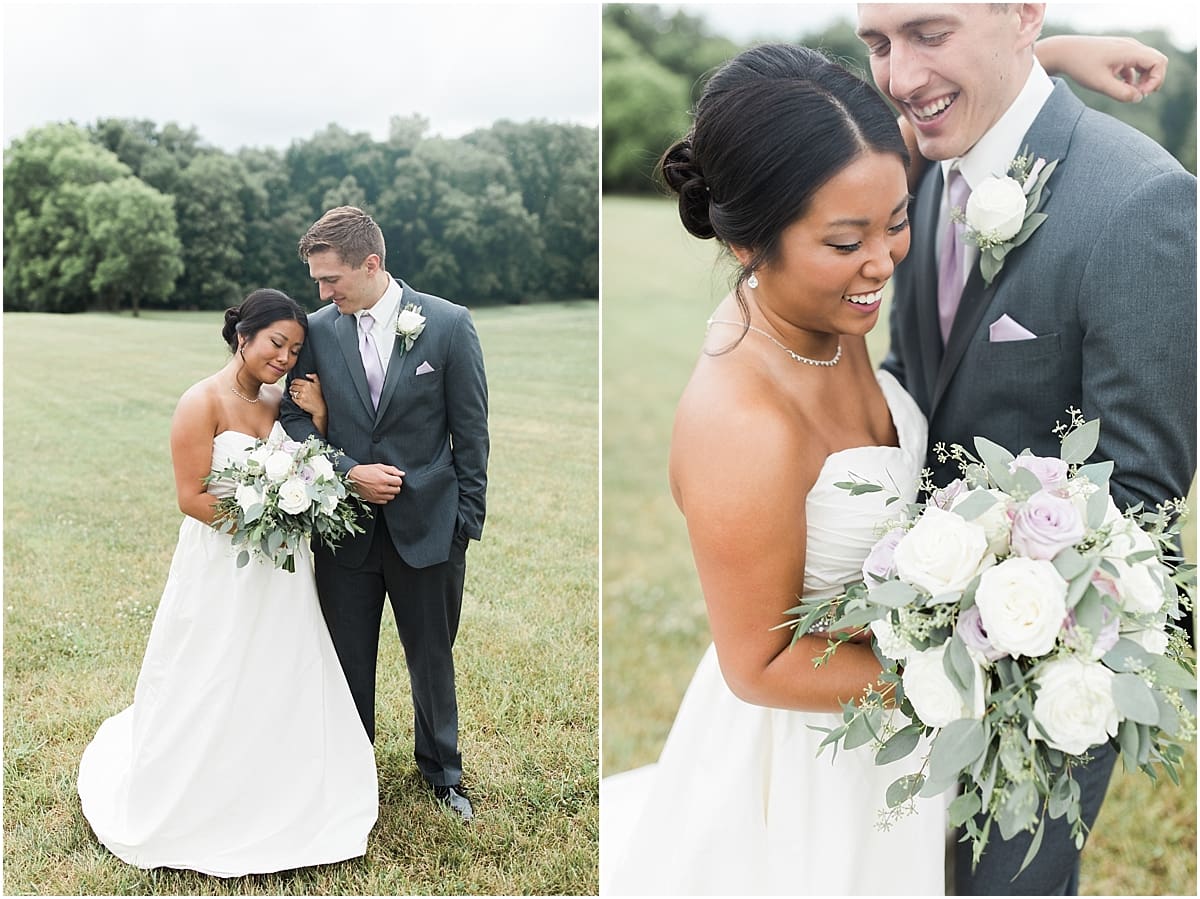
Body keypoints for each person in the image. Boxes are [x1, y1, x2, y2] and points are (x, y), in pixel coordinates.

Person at [600, 33, 1174, 898]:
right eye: (844, 242)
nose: (882, 261)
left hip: (895, 742)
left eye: (898, 220)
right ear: (752, 239)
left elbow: (920, 126)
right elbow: (760, 665)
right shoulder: (739, 419)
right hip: (810, 766)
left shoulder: (838, 237)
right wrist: (997, 665)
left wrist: (1039, 54)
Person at [856, 4, 1196, 894]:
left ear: (1022, 14)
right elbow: (916, 370)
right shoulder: (925, 161)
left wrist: (996, 619)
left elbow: (1141, 484)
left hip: (1050, 656)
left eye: (928, 32)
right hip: (915, 622)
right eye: (880, 44)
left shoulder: (1140, 201)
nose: (899, 75)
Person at [77, 289, 378, 877]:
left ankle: (286, 785)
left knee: (283, 665)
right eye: (275, 343)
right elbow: (190, 497)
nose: (285, 358)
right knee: (215, 665)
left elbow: (311, 456)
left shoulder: (282, 401)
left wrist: (315, 418)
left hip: (284, 572)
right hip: (223, 565)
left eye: (294, 348)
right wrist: (265, 519)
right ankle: (204, 792)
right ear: (243, 337)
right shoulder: (200, 402)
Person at [280, 206, 489, 822]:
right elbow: (293, 419)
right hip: (343, 529)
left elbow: (470, 432)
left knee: (432, 656)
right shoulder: (317, 330)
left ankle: (443, 773)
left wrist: (464, 526)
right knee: (347, 657)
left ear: (371, 265)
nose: (321, 293)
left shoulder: (448, 325)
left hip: (431, 528)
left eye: (331, 279)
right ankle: (351, 768)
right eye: (317, 281)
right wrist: (347, 473)